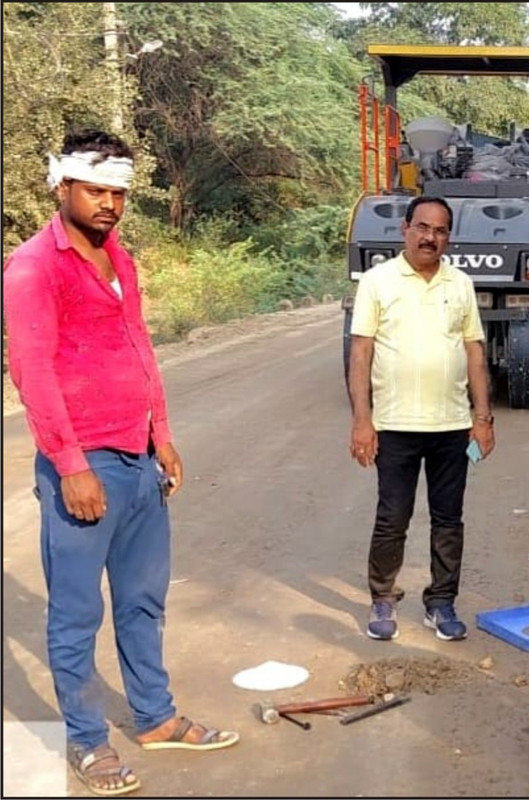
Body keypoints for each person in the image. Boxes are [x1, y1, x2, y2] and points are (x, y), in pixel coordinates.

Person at [3, 128, 239, 797]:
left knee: (143, 602)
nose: (109, 203)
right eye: (96, 190)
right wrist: (70, 464)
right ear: (62, 187)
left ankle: (155, 717)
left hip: (138, 460)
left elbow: (138, 344)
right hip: (85, 465)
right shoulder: (32, 268)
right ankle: (85, 742)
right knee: (77, 614)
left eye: (119, 192)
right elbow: (32, 372)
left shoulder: (120, 260)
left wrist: (161, 433)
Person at [347, 195, 496, 644]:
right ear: (405, 229)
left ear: (448, 237)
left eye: (441, 230)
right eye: (423, 227)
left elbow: (474, 351)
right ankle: (383, 599)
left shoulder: (461, 285)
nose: (431, 237)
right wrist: (362, 420)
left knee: (449, 519)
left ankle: (441, 603)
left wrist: (482, 417)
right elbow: (361, 353)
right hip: (394, 425)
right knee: (393, 517)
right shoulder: (377, 282)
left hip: (451, 426)